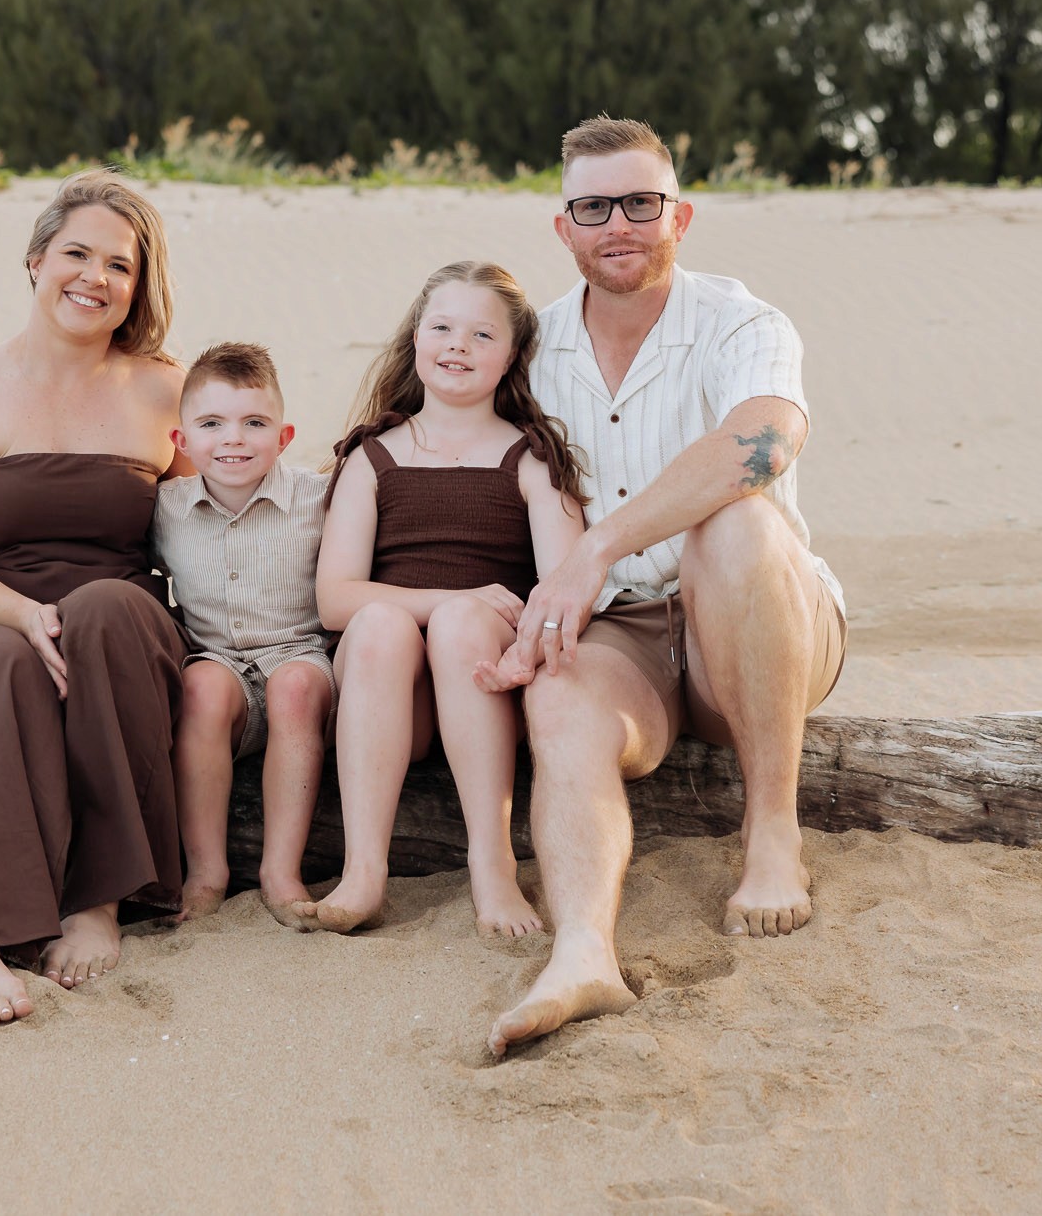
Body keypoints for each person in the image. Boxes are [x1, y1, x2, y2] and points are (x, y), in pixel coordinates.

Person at [487, 116, 848, 1058]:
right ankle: (582, 954)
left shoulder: (742, 322)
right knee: (557, 695)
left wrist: (599, 543)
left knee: (735, 519)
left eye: (641, 203)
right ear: (561, 228)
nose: (620, 225)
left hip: (760, 613)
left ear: (679, 215)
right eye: (594, 206)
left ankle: (772, 831)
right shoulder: (527, 350)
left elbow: (764, 440)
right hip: (626, 639)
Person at [0, 169, 190, 1027]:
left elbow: (225, 530)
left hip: (119, 643)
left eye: (120, 266)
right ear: (35, 260)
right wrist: (24, 615)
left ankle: (99, 899)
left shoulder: (168, 391)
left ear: (138, 287)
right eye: (77, 254)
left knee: (102, 607)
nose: (95, 278)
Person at [291, 261, 587, 939]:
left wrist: (486, 618)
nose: (458, 344)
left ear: (512, 356)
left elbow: (565, 584)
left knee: (459, 624)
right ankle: (365, 869)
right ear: (415, 340)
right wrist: (457, 594)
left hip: (488, 683)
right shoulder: (372, 456)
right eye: (442, 327)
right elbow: (335, 599)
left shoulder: (531, 456)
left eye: (483, 334)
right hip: (390, 694)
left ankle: (492, 861)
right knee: (377, 624)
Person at [154, 341, 338, 925]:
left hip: (300, 656)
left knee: (296, 689)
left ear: (283, 438)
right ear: (181, 442)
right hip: (219, 663)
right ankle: (206, 871)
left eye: (253, 423)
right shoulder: (165, 509)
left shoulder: (319, 499)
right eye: (211, 423)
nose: (233, 439)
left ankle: (280, 872)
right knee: (200, 689)